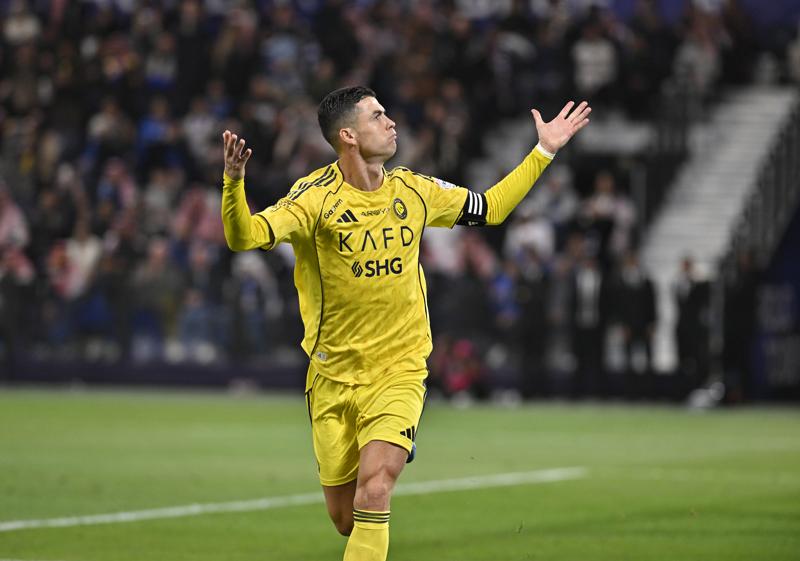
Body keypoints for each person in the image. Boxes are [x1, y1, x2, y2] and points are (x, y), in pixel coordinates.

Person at [220, 86, 590, 561]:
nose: (391, 121)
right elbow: (244, 237)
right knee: (346, 518)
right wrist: (234, 183)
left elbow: (492, 208)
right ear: (348, 135)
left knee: (375, 490)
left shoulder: (414, 191)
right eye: (377, 116)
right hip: (332, 378)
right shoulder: (313, 200)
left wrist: (544, 151)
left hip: (400, 371)